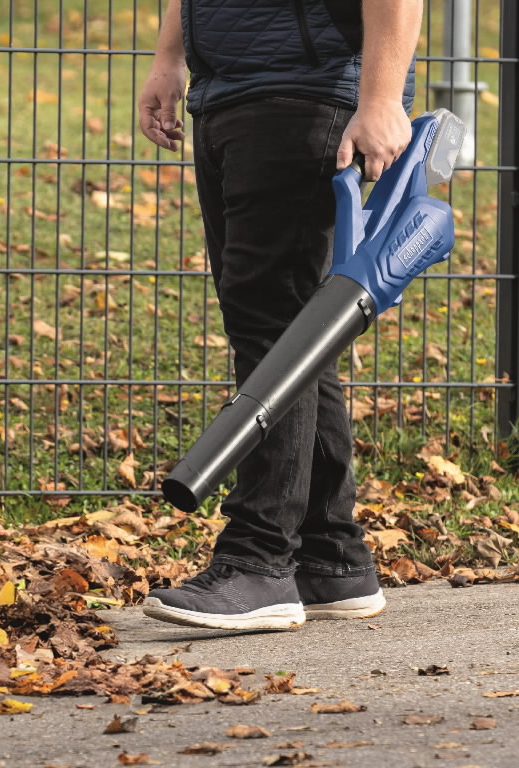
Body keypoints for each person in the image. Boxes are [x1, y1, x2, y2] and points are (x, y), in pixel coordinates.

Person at [138, 0, 423, 630]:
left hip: (305, 96)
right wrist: (168, 59)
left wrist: (379, 98)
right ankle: (330, 558)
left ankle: (259, 561)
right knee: (293, 333)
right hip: (229, 97)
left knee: (275, 337)